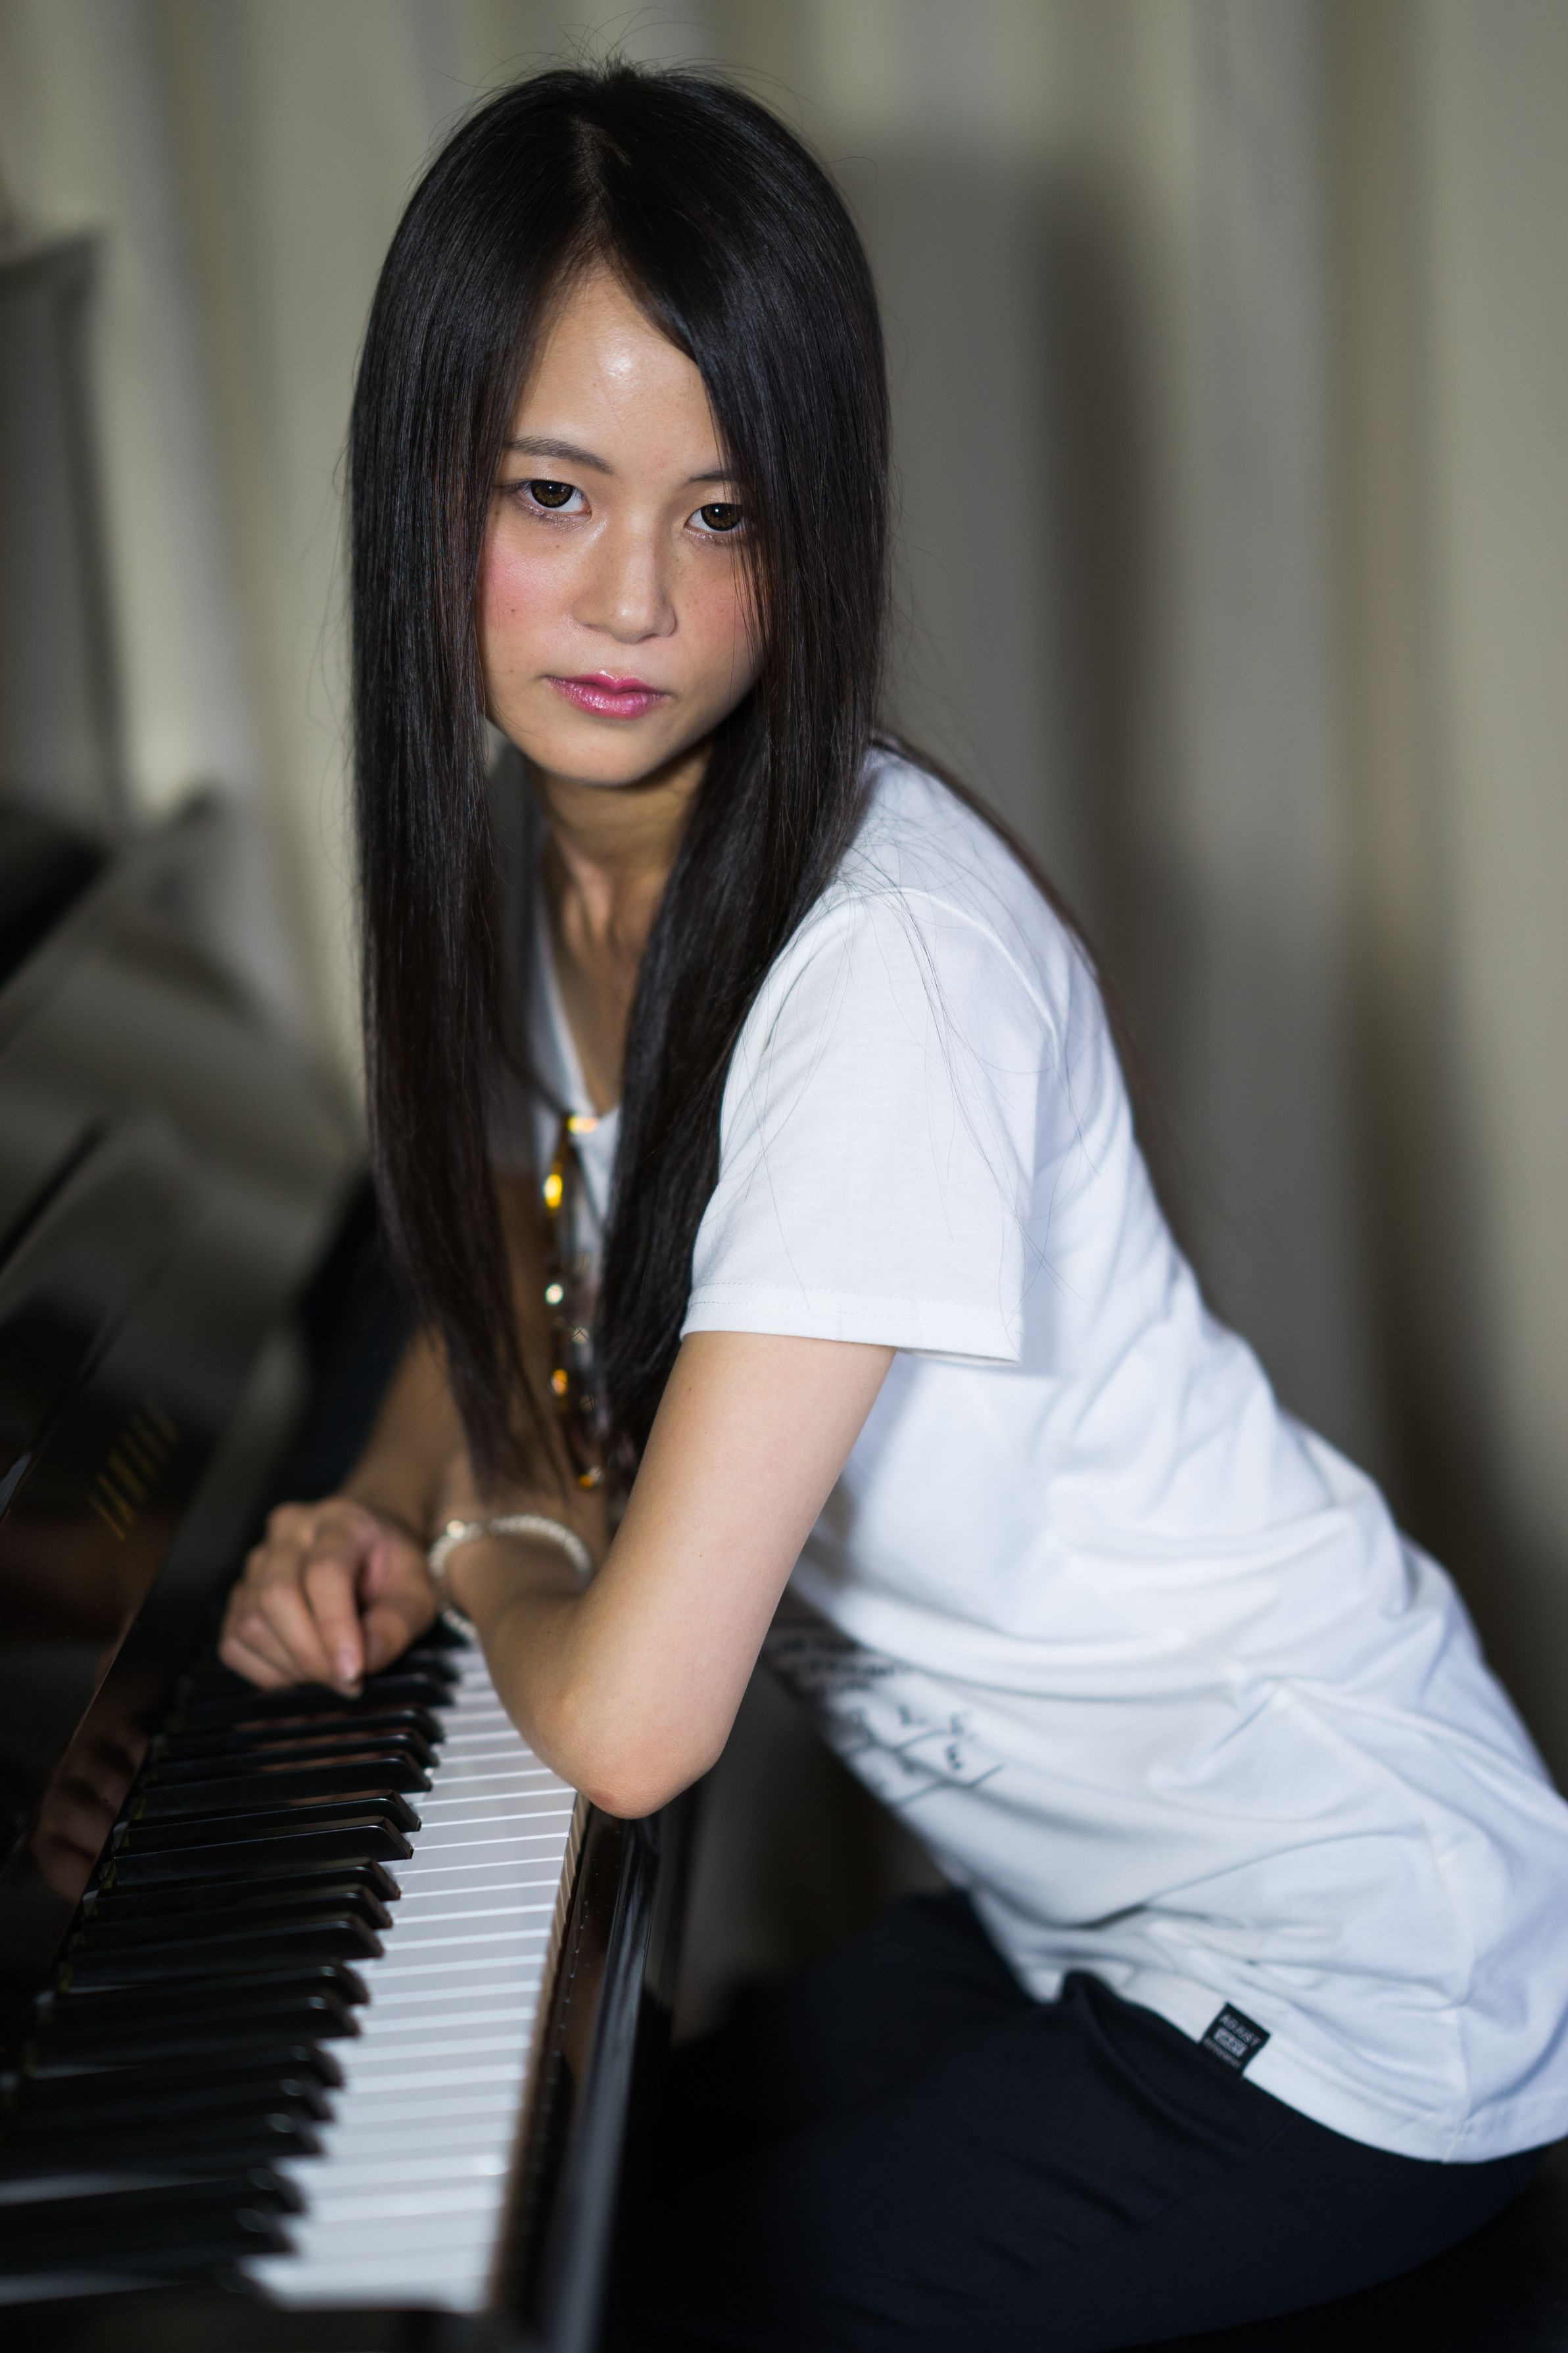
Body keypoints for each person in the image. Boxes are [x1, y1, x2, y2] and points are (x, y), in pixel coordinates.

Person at [219, 61, 1568, 2352]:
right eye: (551, 493)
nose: (633, 601)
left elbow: (630, 1725)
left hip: (1356, 1964)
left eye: (723, 515)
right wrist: (365, 1491)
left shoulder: (883, 968)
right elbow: (517, 1252)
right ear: (420, 478)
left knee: (620, 2307)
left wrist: (482, 1537)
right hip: (1079, 1909)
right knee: (585, 2183)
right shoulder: (545, 872)